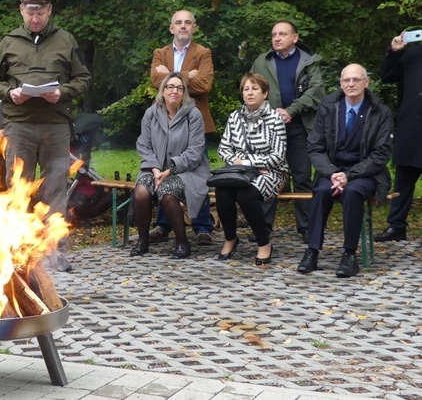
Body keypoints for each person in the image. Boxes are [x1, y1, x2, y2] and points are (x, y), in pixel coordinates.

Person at [0, 0, 91, 272]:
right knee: (18, 188)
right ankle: (17, 252)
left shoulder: (66, 40)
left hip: (55, 124)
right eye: (30, 12)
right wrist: (10, 93)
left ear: (49, 11)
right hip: (19, 125)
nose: (35, 18)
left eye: (40, 12)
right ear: (21, 10)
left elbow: (83, 79)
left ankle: (55, 252)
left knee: (55, 188)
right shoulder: (8, 42)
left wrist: (63, 92)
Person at [297, 64, 393, 278]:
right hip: (331, 170)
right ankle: (312, 251)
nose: (351, 84)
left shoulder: (380, 112)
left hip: (365, 173)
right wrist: (332, 173)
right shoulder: (328, 106)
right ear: (340, 83)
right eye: (346, 80)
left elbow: (380, 154)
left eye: (356, 80)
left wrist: (349, 176)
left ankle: (349, 254)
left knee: (352, 192)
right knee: (321, 192)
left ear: (366, 82)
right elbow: (315, 146)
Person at [251, 20, 325, 243]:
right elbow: (251, 89)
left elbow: (316, 91)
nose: (276, 38)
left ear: (295, 38)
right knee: (266, 174)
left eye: (282, 34)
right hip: (268, 129)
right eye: (274, 34)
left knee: (302, 176)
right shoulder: (261, 62)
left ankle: (306, 227)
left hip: (299, 127)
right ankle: (262, 227)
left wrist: (292, 110)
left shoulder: (308, 62)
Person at [149, 10, 215, 245]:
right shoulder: (161, 53)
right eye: (179, 23)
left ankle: (203, 226)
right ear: (171, 28)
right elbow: (156, 82)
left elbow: (204, 84)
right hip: (165, 123)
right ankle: (163, 224)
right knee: (166, 169)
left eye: (188, 22)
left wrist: (171, 77)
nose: (183, 26)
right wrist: (188, 75)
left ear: (194, 28)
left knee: (198, 172)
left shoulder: (203, 53)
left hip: (195, 122)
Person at [132, 72, 210, 259]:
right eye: (170, 87)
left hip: (187, 170)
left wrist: (171, 169)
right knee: (141, 191)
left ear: (184, 92)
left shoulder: (193, 114)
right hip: (155, 168)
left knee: (167, 192)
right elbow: (143, 144)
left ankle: (182, 242)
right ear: (163, 90)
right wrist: (155, 168)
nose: (174, 91)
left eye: (179, 88)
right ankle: (143, 241)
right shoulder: (151, 113)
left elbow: (196, 150)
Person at [215, 73, 288, 265]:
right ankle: (231, 238)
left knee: (246, 194)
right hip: (240, 172)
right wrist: (241, 164)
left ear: (265, 94)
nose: (250, 93)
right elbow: (223, 148)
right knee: (223, 191)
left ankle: (264, 242)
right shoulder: (234, 117)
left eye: (255, 89)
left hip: (272, 172)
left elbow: (278, 156)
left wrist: (247, 163)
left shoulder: (275, 119)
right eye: (246, 89)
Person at [375, 32, 422, 242]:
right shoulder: (411, 54)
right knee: (404, 178)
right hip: (413, 125)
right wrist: (394, 51)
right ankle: (396, 226)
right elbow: (386, 76)